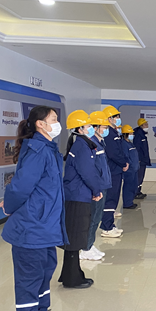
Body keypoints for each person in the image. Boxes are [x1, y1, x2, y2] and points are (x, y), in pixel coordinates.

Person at [1, 105, 66, 311]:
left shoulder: (49, 149)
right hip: (32, 227)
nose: (57, 123)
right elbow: (20, 186)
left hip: (45, 225)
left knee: (45, 269)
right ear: (41, 124)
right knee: (30, 275)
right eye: (54, 119)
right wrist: (9, 206)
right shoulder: (39, 151)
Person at [60, 110, 103, 289]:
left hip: (77, 194)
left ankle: (71, 274)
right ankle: (72, 279)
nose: (91, 128)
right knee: (76, 236)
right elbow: (88, 172)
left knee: (74, 236)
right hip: (78, 196)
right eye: (89, 125)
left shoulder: (81, 145)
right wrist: (96, 189)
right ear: (80, 129)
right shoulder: (82, 147)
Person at [81, 111, 112, 260]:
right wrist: (96, 188)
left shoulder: (99, 143)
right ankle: (86, 248)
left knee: (97, 216)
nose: (106, 130)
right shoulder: (91, 144)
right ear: (96, 127)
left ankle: (90, 244)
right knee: (93, 217)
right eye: (104, 127)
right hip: (97, 186)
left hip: (102, 184)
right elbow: (90, 169)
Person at [100, 105, 127, 238]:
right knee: (110, 198)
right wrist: (123, 163)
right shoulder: (109, 134)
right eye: (116, 117)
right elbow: (113, 153)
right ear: (109, 119)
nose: (118, 119)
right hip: (112, 170)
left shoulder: (113, 132)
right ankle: (107, 227)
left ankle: (110, 224)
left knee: (114, 197)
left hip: (115, 170)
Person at [122, 124, 141, 209]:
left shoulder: (130, 143)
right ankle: (127, 203)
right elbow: (125, 156)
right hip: (129, 170)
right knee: (128, 186)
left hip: (135, 168)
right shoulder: (123, 144)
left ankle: (130, 201)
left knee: (134, 185)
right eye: (130, 133)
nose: (132, 135)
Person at [133, 118, 151, 199]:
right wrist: (138, 159)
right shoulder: (138, 135)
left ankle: (138, 191)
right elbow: (137, 147)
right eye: (145, 124)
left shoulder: (142, 134)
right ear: (141, 126)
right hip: (140, 160)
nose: (147, 126)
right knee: (139, 177)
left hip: (143, 160)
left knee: (141, 177)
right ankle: (136, 192)